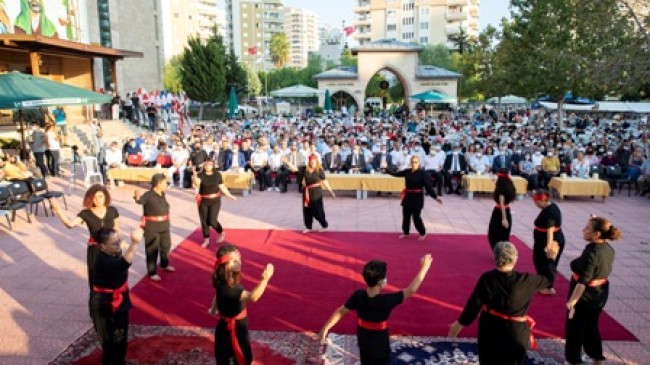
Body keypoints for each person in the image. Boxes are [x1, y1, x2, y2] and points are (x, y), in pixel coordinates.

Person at [449, 241, 560, 365]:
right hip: (516, 333)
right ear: (515, 259)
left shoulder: (488, 278)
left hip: (490, 330)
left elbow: (474, 305)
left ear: (495, 258)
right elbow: (548, 277)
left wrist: (460, 324)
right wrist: (551, 258)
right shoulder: (526, 281)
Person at [318, 254, 433, 365]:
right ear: (380, 282)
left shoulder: (358, 295)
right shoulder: (386, 301)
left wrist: (325, 328)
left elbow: (340, 311)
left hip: (363, 339)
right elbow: (411, 290)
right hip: (380, 343)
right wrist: (424, 267)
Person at [565, 216, 621, 365]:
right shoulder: (608, 248)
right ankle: (597, 358)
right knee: (591, 326)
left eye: (587, 228)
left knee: (574, 328)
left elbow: (583, 282)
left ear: (597, 234)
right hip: (600, 293)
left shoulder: (592, 252)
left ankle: (572, 360)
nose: (583, 230)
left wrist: (572, 301)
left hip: (585, 295)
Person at [209, 244, 274, 365]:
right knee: (240, 357)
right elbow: (253, 297)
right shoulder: (231, 289)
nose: (239, 262)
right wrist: (265, 279)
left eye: (239, 259)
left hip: (227, 325)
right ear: (226, 264)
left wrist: (213, 310)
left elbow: (216, 297)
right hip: (234, 329)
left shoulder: (221, 280)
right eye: (234, 260)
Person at [50, 184, 121, 291]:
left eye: (100, 196)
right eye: (94, 197)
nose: (97, 199)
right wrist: (58, 210)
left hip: (112, 250)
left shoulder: (112, 210)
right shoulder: (85, 214)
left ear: (106, 197)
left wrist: (119, 246)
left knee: (114, 278)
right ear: (90, 199)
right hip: (96, 251)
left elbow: (117, 229)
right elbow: (70, 224)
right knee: (96, 280)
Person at [89, 227, 142, 365]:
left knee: (120, 335)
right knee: (108, 340)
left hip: (120, 299)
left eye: (119, 241)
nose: (119, 245)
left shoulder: (113, 252)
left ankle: (119, 361)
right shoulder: (103, 260)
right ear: (103, 246)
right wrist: (135, 243)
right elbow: (124, 264)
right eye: (115, 243)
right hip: (103, 303)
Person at [388, 155, 442, 240]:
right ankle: (405, 232)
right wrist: (386, 168)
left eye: (416, 162)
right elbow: (396, 174)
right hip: (408, 196)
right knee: (406, 216)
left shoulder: (422, 174)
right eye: (412, 162)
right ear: (410, 163)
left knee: (416, 217)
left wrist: (435, 197)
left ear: (419, 163)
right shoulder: (407, 171)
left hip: (417, 197)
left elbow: (428, 186)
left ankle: (422, 232)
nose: (414, 164)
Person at [133, 173, 175, 281]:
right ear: (158, 183)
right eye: (165, 183)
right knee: (152, 249)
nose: (167, 184)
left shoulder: (162, 194)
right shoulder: (148, 195)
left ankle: (164, 265)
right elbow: (140, 200)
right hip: (152, 227)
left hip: (164, 225)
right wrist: (136, 196)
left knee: (166, 246)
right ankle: (152, 272)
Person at [284, 154, 335, 233]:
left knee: (317, 210)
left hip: (316, 191)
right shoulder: (305, 169)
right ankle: (308, 226)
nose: (312, 163)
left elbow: (325, 181)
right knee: (307, 209)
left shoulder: (319, 170)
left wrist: (331, 191)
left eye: (314, 161)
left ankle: (324, 225)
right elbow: (295, 169)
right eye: (311, 161)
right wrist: (288, 162)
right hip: (307, 191)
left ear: (316, 161)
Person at [193, 160, 237, 248]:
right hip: (203, 200)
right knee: (204, 221)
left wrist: (229, 195)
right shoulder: (200, 175)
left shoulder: (217, 175)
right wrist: (194, 176)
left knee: (212, 220)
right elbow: (196, 185)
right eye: (206, 165)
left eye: (209, 165)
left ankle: (221, 232)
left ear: (213, 165)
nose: (207, 166)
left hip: (215, 200)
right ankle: (206, 239)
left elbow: (221, 186)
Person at [532, 189, 565, 295]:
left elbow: (550, 231)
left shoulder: (549, 212)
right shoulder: (551, 206)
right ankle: (546, 285)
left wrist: (548, 246)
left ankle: (548, 287)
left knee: (545, 263)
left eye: (537, 203)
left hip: (548, 241)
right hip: (546, 239)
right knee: (544, 263)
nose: (536, 205)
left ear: (543, 201)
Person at [487, 169, 516, 250]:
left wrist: (504, 219)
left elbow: (501, 204)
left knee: (494, 233)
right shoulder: (510, 186)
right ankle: (503, 251)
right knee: (504, 234)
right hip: (507, 210)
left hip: (499, 212)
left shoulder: (501, 189)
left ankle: (498, 251)